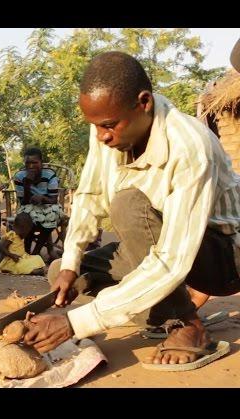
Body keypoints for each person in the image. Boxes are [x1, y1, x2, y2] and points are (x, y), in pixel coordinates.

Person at [22, 51, 240, 370]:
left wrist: (75, 324)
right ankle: (165, 308)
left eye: (108, 126)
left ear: (144, 103)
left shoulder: (190, 147)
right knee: (64, 274)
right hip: (166, 251)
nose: (102, 136)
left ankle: (187, 326)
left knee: (127, 203)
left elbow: (171, 260)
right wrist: (70, 263)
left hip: (224, 257)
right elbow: (90, 194)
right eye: (95, 126)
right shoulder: (108, 131)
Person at [13, 147, 63, 259]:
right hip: (28, 206)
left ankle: (35, 253)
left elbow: (53, 199)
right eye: (27, 163)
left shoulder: (49, 174)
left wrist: (42, 198)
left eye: (34, 162)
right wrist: (27, 184)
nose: (31, 166)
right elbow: (23, 202)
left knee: (50, 218)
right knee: (27, 219)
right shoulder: (20, 176)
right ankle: (26, 252)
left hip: (48, 205)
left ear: (41, 162)